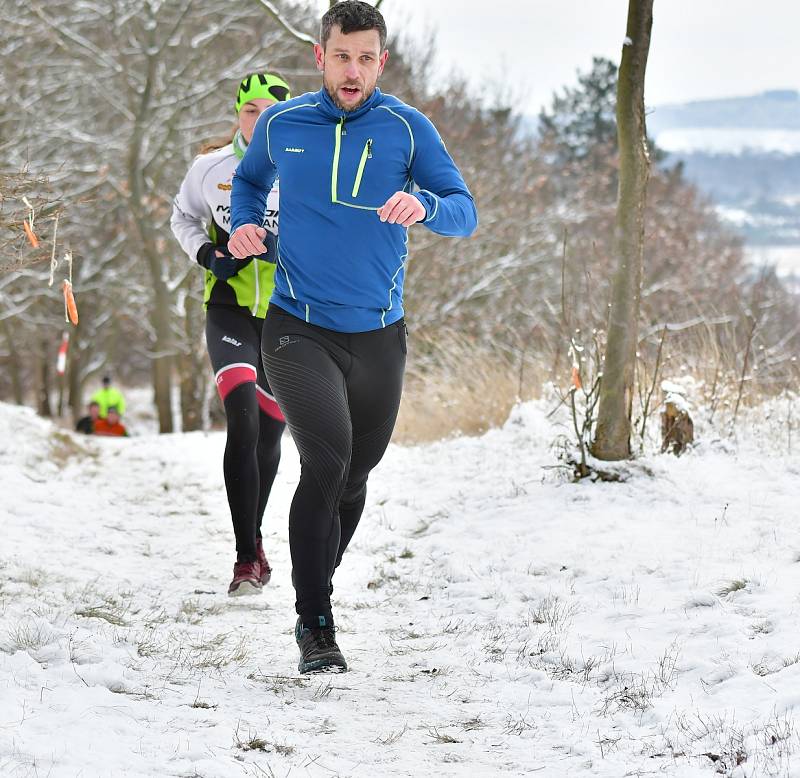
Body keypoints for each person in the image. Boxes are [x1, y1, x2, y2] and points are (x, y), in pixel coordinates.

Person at [229, 1, 477, 673]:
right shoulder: (283, 124)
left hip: (379, 336)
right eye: (343, 55)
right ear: (320, 55)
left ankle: (316, 578)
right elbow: (250, 185)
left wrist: (425, 205)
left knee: (355, 477)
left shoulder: (406, 127)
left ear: (382, 63)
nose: (354, 69)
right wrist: (244, 227)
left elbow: (464, 212)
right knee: (328, 461)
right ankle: (316, 627)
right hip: (295, 327)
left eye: (367, 58)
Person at [171, 71, 292, 597]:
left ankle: (256, 537)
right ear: (237, 114)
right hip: (229, 309)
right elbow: (183, 218)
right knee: (240, 419)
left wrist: (278, 250)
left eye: (270, 111)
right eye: (250, 110)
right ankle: (246, 558)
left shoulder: (302, 168)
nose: (259, 119)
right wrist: (206, 254)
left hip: (290, 318)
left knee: (268, 435)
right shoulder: (210, 168)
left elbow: (331, 238)